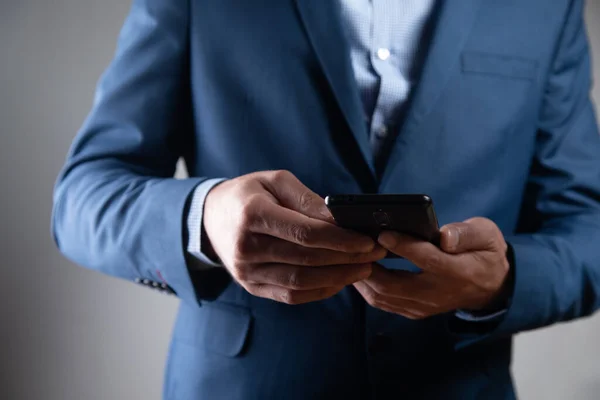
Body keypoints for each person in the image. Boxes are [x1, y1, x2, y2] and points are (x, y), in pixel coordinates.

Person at [52, 0, 600, 398]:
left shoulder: (547, 9)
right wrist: (205, 215)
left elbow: (589, 230)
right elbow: (81, 197)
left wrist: (503, 282)